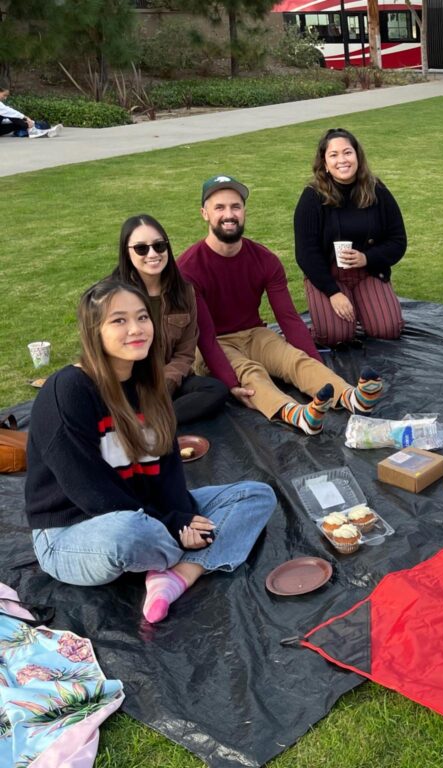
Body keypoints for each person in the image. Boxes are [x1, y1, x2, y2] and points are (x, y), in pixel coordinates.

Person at [24, 279, 276, 623]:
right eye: (119, 321)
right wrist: (175, 527)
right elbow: (92, 494)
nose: (136, 329)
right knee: (127, 533)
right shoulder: (67, 391)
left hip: (147, 511)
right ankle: (186, 552)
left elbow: (169, 467)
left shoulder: (150, 383)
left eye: (142, 317)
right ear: (93, 331)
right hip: (76, 530)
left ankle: (176, 577)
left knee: (256, 495)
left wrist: (182, 514)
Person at [179, 175, 384, 435]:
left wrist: (314, 361)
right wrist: (230, 383)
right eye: (219, 207)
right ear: (204, 213)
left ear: (244, 212)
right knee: (250, 372)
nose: (229, 214)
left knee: (294, 359)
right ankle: (297, 414)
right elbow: (206, 338)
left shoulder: (265, 259)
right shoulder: (188, 268)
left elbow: (288, 318)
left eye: (235, 207)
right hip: (214, 343)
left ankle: (352, 398)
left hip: (255, 333)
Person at [112, 214, 229, 425]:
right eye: (141, 248)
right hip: (129, 380)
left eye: (159, 246)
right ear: (126, 252)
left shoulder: (183, 292)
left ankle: (150, 421)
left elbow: (185, 354)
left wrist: (163, 385)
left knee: (216, 390)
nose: (152, 254)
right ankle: (145, 417)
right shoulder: (113, 295)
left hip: (169, 380)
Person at [294, 128, 406, 346]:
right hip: (329, 275)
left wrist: (368, 258)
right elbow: (306, 253)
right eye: (333, 155)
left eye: (347, 152)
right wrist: (332, 292)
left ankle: (365, 306)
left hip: (368, 272)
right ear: (325, 163)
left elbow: (398, 240)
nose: (342, 160)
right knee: (335, 336)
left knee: (388, 330)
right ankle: (327, 320)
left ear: (357, 156)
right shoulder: (312, 196)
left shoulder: (376, 190)